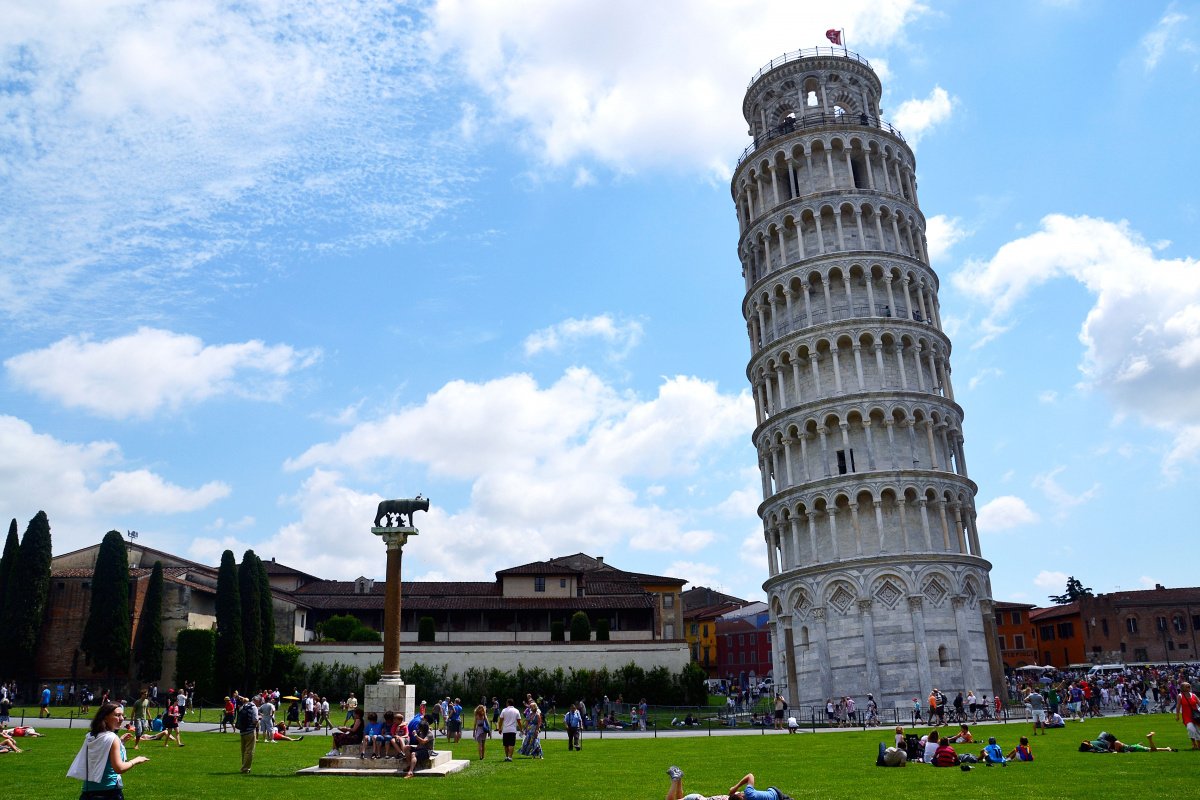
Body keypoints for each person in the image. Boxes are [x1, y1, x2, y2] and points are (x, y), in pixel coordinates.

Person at [67, 702, 149, 796]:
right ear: (105, 717)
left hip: (88, 792)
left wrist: (120, 742)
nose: (122, 718)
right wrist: (136, 760)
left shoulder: (91, 736)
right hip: (109, 792)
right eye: (117, 715)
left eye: (122, 715)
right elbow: (119, 768)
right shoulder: (112, 738)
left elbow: (101, 752)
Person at [1079, 730, 1173, 753]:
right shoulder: (1122, 747)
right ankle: (1165, 748)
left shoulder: (1120, 746)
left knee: (1152, 750)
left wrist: (1115, 751)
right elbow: (1116, 744)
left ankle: (1165, 748)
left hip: (1132, 747)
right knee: (1151, 750)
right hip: (1132, 747)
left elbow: (1116, 744)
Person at [236, 696, 259, 773]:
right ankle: (246, 768)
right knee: (249, 751)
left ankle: (243, 765)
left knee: (243, 750)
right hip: (250, 731)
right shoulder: (254, 707)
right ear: (256, 700)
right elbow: (255, 720)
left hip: (242, 731)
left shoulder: (243, 707)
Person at [1175, 680, 1200, 750]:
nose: (1189, 687)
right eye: (1187, 686)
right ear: (1183, 688)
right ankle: (1194, 743)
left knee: (1198, 731)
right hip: (1187, 717)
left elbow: (1199, 703)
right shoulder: (1180, 696)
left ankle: (1198, 745)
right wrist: (1177, 716)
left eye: (1189, 686)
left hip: (1196, 716)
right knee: (1191, 729)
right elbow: (1178, 706)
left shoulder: (1194, 695)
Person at [499, 697, 522, 762]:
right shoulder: (516, 710)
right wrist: (521, 729)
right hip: (512, 730)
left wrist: (499, 728)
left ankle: (506, 756)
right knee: (511, 744)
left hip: (505, 729)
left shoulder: (504, 710)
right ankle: (510, 757)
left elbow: (500, 720)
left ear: (508, 703)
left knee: (506, 744)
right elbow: (519, 721)